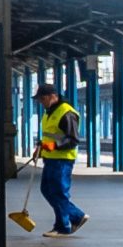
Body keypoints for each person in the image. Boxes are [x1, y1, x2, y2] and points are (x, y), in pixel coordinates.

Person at [35, 82, 88, 235]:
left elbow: (72, 140)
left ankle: (65, 224)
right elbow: (49, 134)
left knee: (58, 192)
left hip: (62, 160)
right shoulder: (49, 112)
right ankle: (73, 219)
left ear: (53, 96)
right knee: (47, 190)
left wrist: (51, 146)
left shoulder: (66, 113)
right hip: (50, 158)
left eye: (43, 98)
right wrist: (40, 146)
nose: (41, 102)